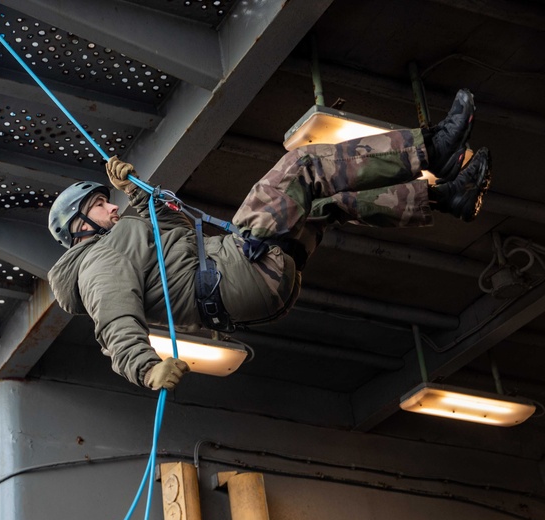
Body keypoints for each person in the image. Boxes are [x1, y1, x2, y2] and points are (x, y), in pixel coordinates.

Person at [46, 89, 492, 391]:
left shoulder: (121, 243)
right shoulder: (96, 266)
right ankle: (434, 148)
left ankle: (445, 197)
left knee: (324, 203)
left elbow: (172, 235)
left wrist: (134, 191)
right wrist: (146, 368)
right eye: (99, 206)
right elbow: (114, 325)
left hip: (259, 284)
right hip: (237, 270)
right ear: (81, 228)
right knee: (302, 166)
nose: (110, 208)